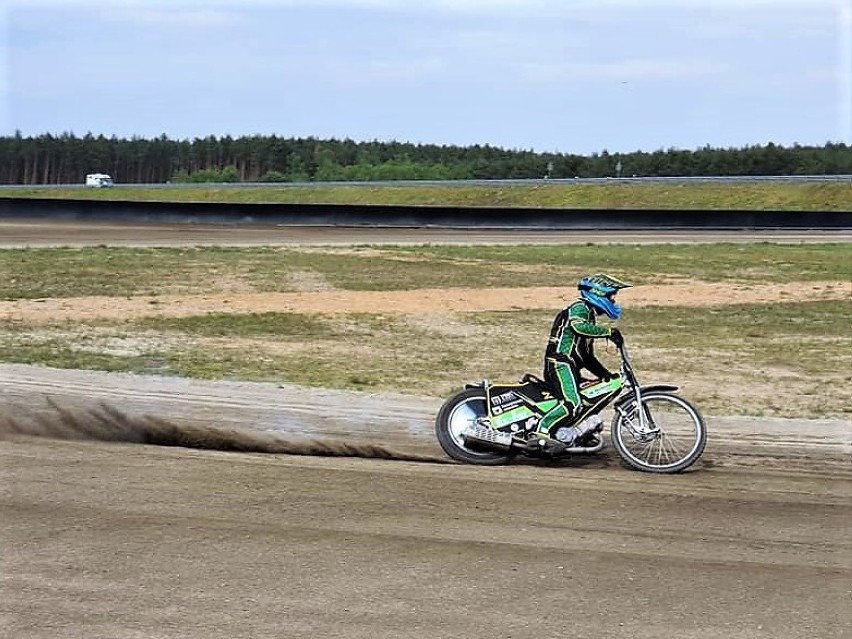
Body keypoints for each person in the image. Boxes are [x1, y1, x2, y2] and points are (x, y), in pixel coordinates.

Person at [530, 273, 631, 451]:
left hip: (569, 366)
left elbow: (586, 357)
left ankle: (575, 433)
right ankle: (540, 432)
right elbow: (578, 326)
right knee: (572, 403)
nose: (613, 300)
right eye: (610, 296)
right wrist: (609, 332)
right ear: (598, 294)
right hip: (560, 363)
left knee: (587, 398)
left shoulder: (589, 315)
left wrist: (605, 375)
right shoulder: (580, 307)